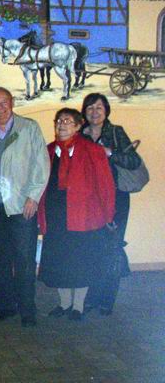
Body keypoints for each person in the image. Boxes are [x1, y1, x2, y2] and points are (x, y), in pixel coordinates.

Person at [0, 87, 50, 327]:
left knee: (24, 259)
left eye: (3, 102)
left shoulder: (29, 128)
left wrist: (33, 197)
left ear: (12, 102)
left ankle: (27, 309)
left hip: (22, 206)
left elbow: (41, 165)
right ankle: (5, 306)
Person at [38, 108, 116, 321]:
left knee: (80, 262)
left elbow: (105, 185)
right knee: (59, 261)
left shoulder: (92, 150)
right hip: (55, 217)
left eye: (67, 121)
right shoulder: (48, 151)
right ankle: (64, 303)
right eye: (58, 121)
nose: (61, 125)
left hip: (83, 217)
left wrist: (108, 215)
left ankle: (78, 306)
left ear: (78, 126)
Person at [80, 93, 141, 315]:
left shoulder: (115, 132)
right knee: (91, 248)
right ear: (84, 112)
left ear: (106, 110)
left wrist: (110, 153)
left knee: (112, 247)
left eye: (99, 107)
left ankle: (107, 299)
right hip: (89, 199)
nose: (94, 112)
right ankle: (91, 297)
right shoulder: (80, 135)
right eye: (90, 108)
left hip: (116, 197)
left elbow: (133, 161)